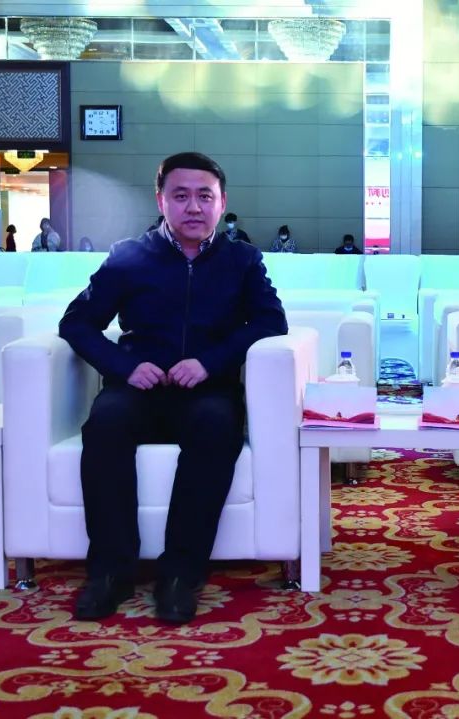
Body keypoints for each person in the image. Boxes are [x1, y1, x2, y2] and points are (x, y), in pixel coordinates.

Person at [58, 152, 287, 624]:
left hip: (208, 391)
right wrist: (125, 366)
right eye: (181, 196)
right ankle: (110, 572)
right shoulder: (128, 256)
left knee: (216, 426)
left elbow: (270, 321)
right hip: (138, 390)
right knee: (105, 424)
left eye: (205, 196)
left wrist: (210, 362)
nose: (194, 207)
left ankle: (181, 573)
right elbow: (76, 323)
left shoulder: (242, 260)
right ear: (161, 200)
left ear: (222, 203)